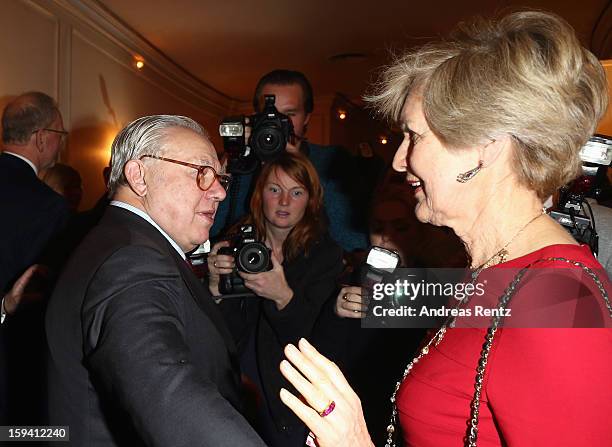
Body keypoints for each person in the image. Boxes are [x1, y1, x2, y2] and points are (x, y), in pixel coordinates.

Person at [277, 11, 612, 446]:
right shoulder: (492, 272)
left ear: (485, 146)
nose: (399, 161)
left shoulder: (559, 301)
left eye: (414, 137)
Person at [45, 115, 266, 446]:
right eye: (202, 173)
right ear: (139, 176)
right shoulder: (132, 258)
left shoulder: (123, 241)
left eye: (220, 178)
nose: (220, 191)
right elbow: (164, 387)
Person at [207, 152, 344, 447]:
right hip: (234, 395)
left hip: (289, 398)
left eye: (296, 192)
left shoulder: (324, 256)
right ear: (259, 194)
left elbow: (322, 344)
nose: (284, 202)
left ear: (310, 200)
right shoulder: (235, 244)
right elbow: (215, 337)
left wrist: (283, 296)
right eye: (274, 190)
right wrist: (216, 289)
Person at [211, 69, 373, 253]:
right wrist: (231, 163)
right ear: (255, 117)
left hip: (310, 277)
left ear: (306, 118)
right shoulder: (239, 165)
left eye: (289, 114)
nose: (277, 123)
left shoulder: (332, 162)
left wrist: (300, 167)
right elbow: (211, 232)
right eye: (268, 114)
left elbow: (352, 241)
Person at [0, 91, 70, 424]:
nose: (61, 144)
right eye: (60, 135)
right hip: (16, 362)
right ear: (42, 138)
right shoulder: (49, 206)